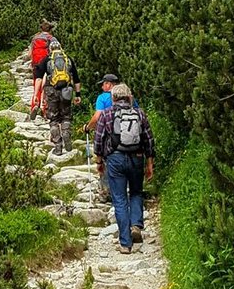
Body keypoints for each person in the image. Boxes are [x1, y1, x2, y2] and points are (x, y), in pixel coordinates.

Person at [94, 82, 155, 253]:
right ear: (130, 97)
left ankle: (125, 243)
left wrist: (99, 162)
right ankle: (136, 225)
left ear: (113, 98)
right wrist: (149, 162)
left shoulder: (106, 114)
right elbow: (148, 139)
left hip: (115, 159)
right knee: (136, 192)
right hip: (137, 158)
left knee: (119, 199)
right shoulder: (139, 113)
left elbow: (98, 139)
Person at [43, 38, 80, 156]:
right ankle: (66, 134)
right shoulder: (68, 60)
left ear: (50, 49)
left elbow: (39, 77)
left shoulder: (47, 60)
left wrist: (39, 96)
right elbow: (77, 79)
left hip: (51, 92)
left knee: (53, 119)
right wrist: (78, 94)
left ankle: (58, 147)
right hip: (66, 92)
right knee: (66, 116)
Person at [29, 22, 54, 117]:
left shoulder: (35, 38)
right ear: (50, 29)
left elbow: (30, 53)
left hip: (36, 64)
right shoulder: (51, 38)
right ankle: (45, 109)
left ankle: (35, 105)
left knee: (37, 85)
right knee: (46, 86)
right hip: (47, 64)